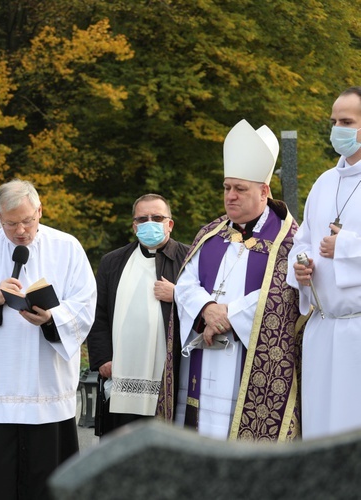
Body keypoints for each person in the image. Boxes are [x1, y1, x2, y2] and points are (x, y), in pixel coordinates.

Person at [0, 179, 97, 499]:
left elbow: (85, 304)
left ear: (40, 210)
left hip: (46, 384)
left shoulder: (66, 247)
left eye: (28, 220)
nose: (21, 231)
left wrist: (52, 318)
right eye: (11, 223)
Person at [156, 119, 302, 441]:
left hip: (246, 363)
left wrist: (227, 316)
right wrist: (207, 308)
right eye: (227, 188)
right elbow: (186, 284)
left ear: (264, 191)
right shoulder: (210, 233)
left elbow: (282, 295)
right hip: (201, 354)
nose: (231, 196)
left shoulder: (289, 239)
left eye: (240, 189)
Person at [288, 86, 361, 439]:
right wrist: (299, 269)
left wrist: (345, 247)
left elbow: (339, 246)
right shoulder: (323, 183)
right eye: (334, 121)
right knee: (319, 431)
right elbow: (299, 242)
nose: (338, 130)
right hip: (321, 328)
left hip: (358, 331)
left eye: (347, 121)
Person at [87, 194, 189, 436]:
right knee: (121, 441)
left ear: (170, 224)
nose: (149, 223)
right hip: (121, 370)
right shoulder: (113, 262)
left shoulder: (189, 259)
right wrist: (102, 358)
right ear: (134, 226)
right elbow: (97, 314)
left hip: (169, 371)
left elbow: (207, 306)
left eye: (157, 217)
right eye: (142, 219)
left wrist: (178, 295)